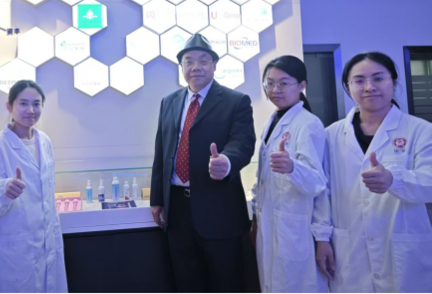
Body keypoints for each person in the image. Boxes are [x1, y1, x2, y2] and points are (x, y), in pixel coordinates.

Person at [315, 52, 432, 293]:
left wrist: (394, 179)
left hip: (402, 245)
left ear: (394, 82)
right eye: (359, 80)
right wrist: (322, 238)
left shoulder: (421, 130)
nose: (369, 87)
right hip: (349, 247)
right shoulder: (330, 135)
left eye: (378, 78)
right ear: (348, 87)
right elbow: (323, 192)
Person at [150, 33, 256, 294]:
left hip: (219, 207)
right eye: (189, 61)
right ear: (182, 67)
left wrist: (226, 162)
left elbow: (242, 143)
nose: (195, 67)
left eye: (203, 60)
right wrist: (157, 199)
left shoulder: (235, 101)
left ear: (214, 65)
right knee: (186, 281)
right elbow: (162, 151)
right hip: (178, 209)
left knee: (226, 282)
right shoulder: (169, 102)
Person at [250, 56, 328, 293]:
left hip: (295, 228)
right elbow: (263, 179)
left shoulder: (308, 124)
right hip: (270, 223)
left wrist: (293, 167)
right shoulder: (273, 120)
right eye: (270, 83)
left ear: (302, 85)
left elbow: (318, 183)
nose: (275, 90)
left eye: (284, 83)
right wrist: (255, 217)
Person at [0, 80, 68, 293]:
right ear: (9, 107)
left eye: (36, 104)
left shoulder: (44, 141)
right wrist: (5, 191)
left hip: (46, 238)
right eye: (23, 103)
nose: (31, 110)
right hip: (14, 243)